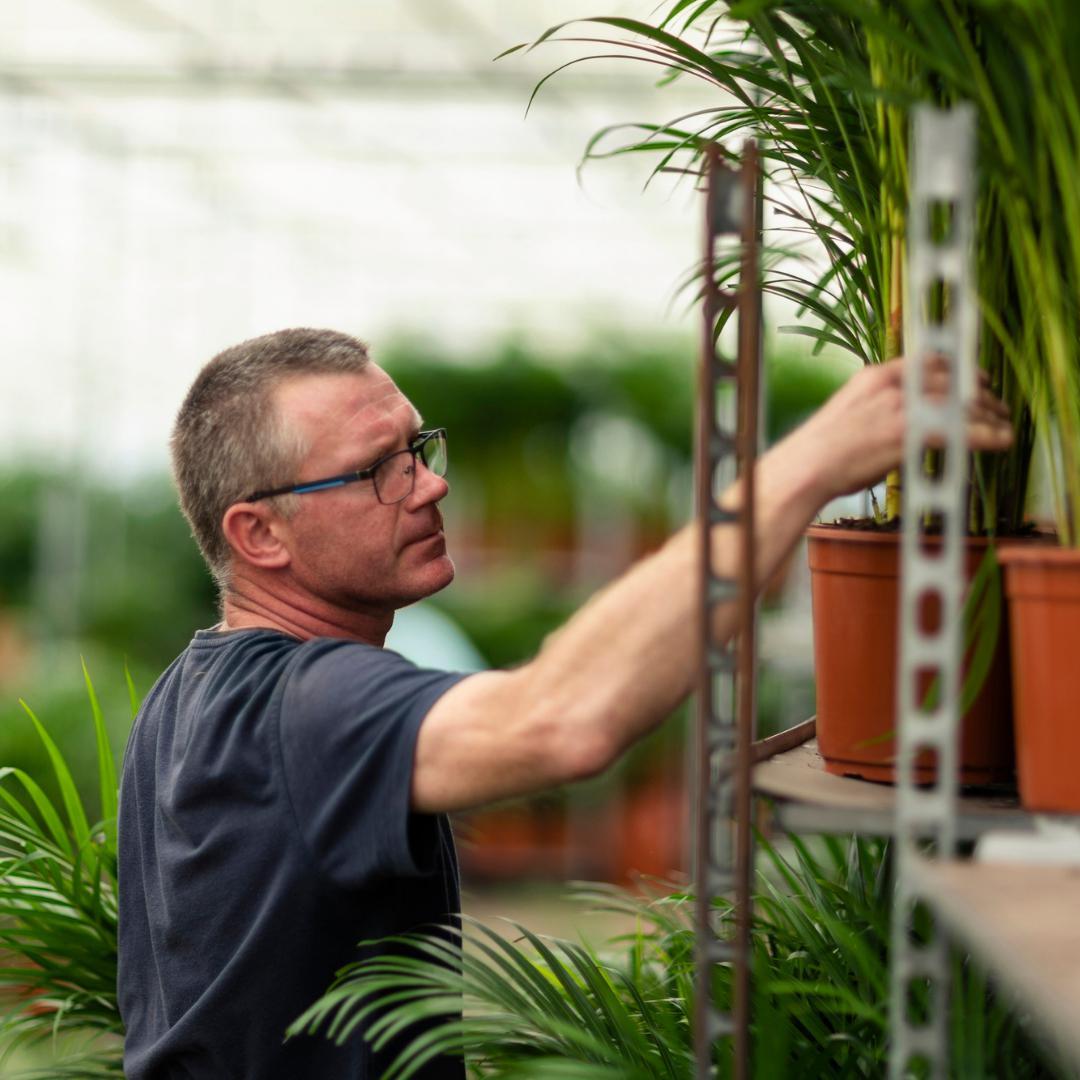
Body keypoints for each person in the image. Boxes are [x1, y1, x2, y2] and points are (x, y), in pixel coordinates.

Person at [117, 327, 1013, 1078]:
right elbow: (562, 719)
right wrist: (807, 467)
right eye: (377, 471)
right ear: (260, 533)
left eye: (417, 450)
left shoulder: (186, 693)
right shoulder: (308, 706)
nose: (430, 485)